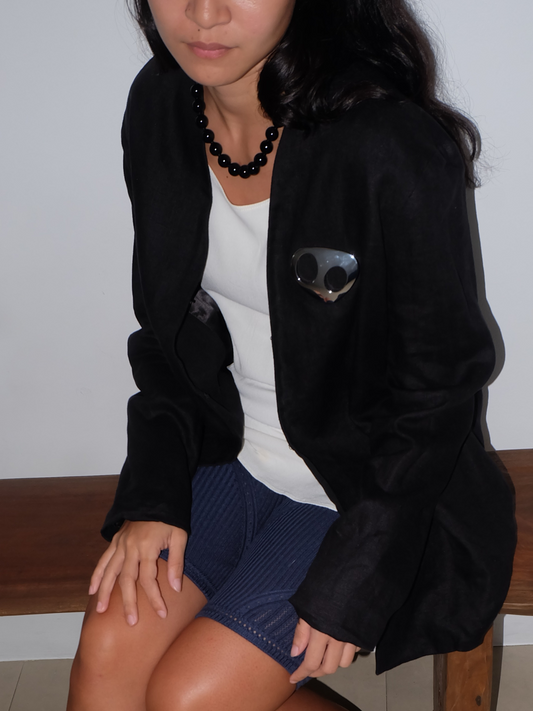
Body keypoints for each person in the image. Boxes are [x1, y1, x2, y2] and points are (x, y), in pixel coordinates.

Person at [67, 0, 516, 709]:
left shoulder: (385, 141)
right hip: (229, 449)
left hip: (366, 482)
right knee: (108, 652)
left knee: (188, 696)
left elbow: (439, 390)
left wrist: (360, 568)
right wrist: (155, 493)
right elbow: (165, 331)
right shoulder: (160, 103)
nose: (203, 13)